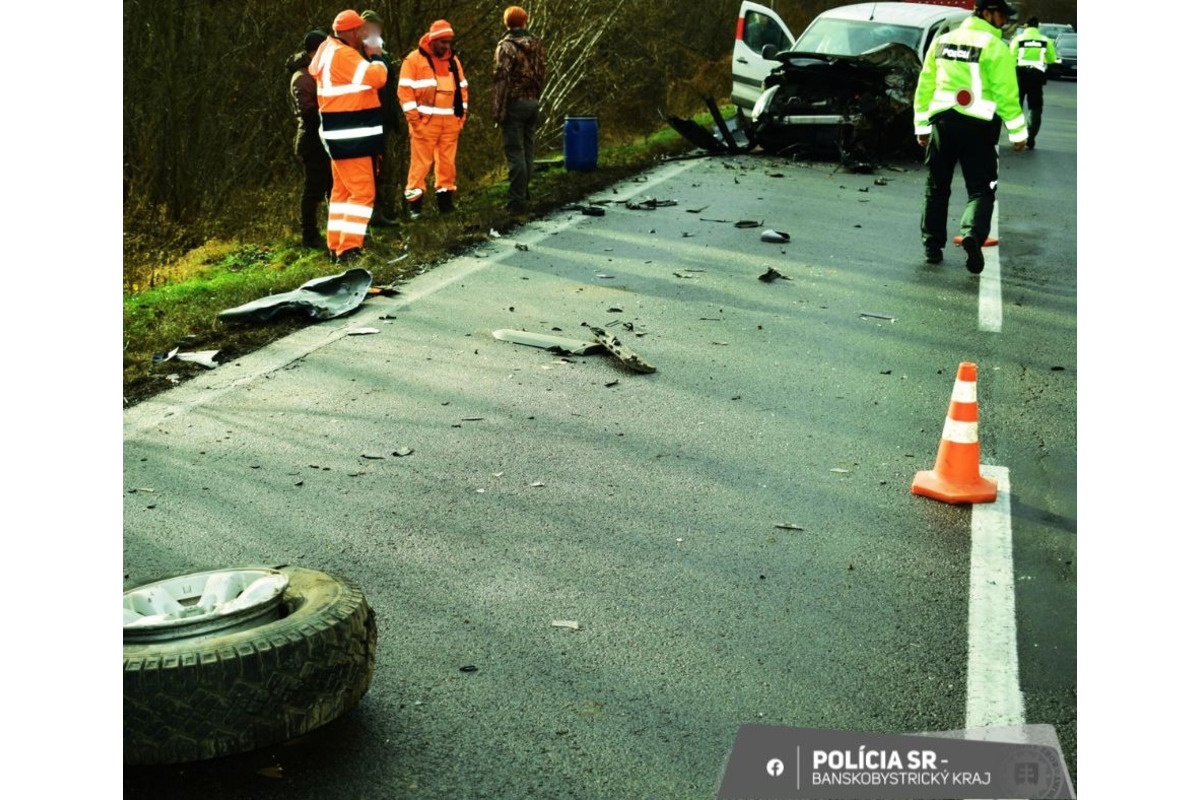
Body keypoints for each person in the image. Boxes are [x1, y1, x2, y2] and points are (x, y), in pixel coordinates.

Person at [913, 0, 1026, 274]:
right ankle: (973, 234)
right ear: (987, 13)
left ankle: (932, 246)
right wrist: (1017, 132)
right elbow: (1006, 94)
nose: (1004, 21)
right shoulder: (995, 47)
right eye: (1001, 15)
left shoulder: (942, 41)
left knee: (936, 187)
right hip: (979, 126)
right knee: (981, 189)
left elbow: (925, 85)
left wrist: (922, 127)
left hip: (942, 123)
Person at [398, 20, 469, 218]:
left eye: (449, 42)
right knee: (419, 166)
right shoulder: (413, 60)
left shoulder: (453, 61)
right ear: (432, 40)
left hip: (450, 122)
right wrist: (415, 121)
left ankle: (445, 205)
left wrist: (461, 118)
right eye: (443, 42)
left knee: (447, 165)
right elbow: (404, 92)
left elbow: (463, 90)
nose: (447, 46)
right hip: (425, 123)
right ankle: (415, 208)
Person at [492, 6, 546, 214]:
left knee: (515, 152)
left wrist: (498, 111)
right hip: (533, 101)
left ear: (506, 23)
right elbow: (541, 72)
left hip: (514, 104)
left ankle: (516, 200)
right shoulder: (536, 44)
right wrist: (535, 96)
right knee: (528, 150)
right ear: (525, 22)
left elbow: (501, 81)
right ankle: (524, 192)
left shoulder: (505, 47)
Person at [288, 30, 333, 250]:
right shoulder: (303, 77)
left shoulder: (314, 72)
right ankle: (309, 235)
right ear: (315, 50)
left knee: (331, 186)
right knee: (313, 189)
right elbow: (307, 112)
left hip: (323, 138)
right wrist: (331, 115)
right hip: (312, 140)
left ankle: (333, 231)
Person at [360, 10, 401, 227]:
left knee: (381, 168)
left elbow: (390, 89)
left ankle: (379, 212)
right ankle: (371, 215)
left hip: (383, 119)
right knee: (368, 171)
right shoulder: (359, 55)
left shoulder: (382, 55)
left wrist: (394, 117)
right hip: (368, 120)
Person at [1010, 17, 1057, 150]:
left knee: (1016, 106)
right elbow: (1051, 59)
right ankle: (1031, 137)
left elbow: (1011, 59)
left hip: (1020, 75)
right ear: (1038, 27)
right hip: (1037, 76)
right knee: (1035, 107)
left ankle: (1017, 137)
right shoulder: (1045, 40)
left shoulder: (1018, 39)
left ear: (1026, 26)